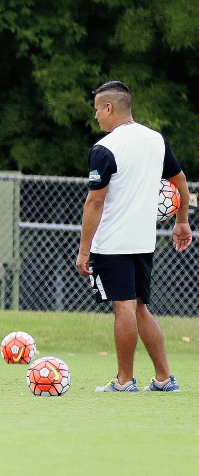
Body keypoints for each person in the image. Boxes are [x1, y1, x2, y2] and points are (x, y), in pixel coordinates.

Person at [76, 81, 191, 392]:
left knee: (124, 307)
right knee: (139, 307)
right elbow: (179, 181)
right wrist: (182, 221)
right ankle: (164, 378)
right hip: (143, 241)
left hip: (113, 242)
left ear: (110, 108)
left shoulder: (105, 149)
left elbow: (95, 201)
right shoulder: (155, 140)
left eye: (98, 110)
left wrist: (84, 250)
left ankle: (125, 380)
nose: (97, 116)